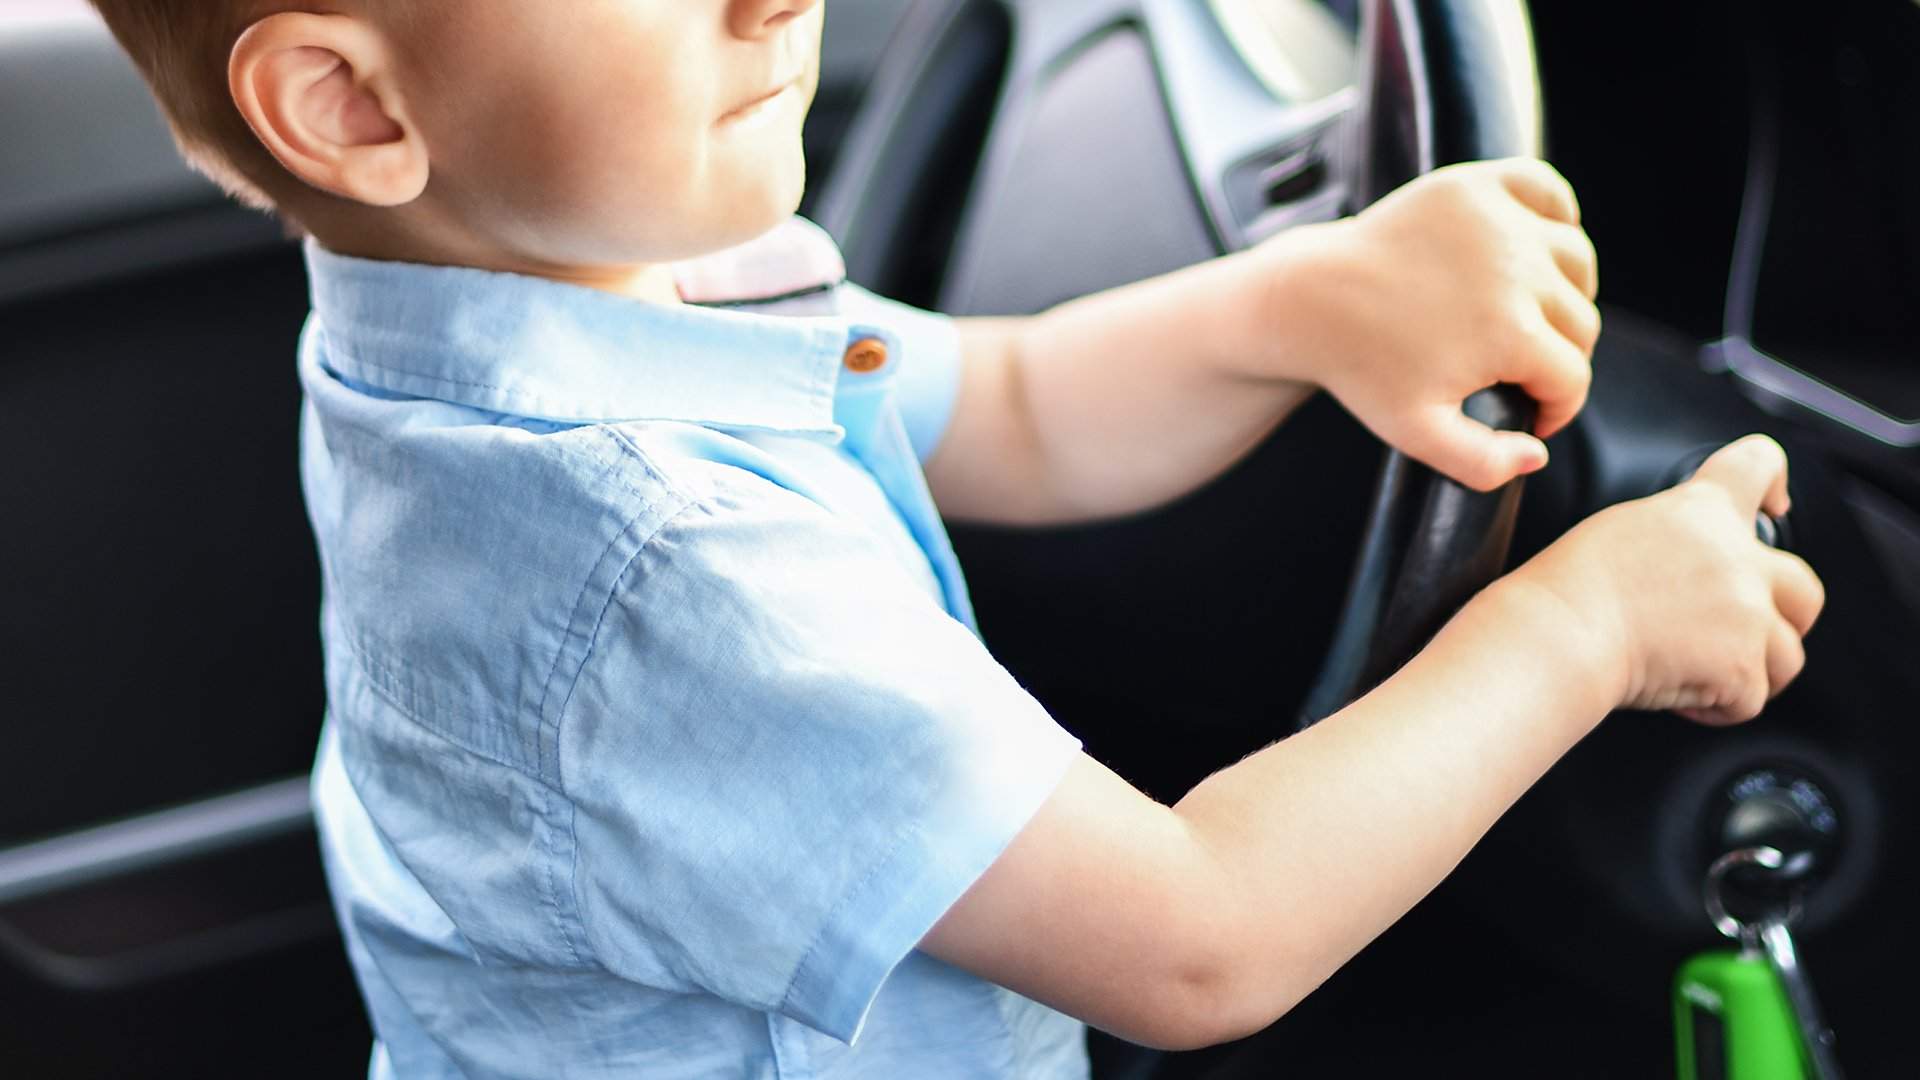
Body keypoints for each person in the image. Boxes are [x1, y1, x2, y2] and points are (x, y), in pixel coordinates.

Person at [83, 1, 1825, 1077]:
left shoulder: (550, 295)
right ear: (352, 110)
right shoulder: (664, 565)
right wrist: (1584, 627)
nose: (778, 1)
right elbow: (1200, 941)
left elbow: (1012, 404)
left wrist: (1303, 302)